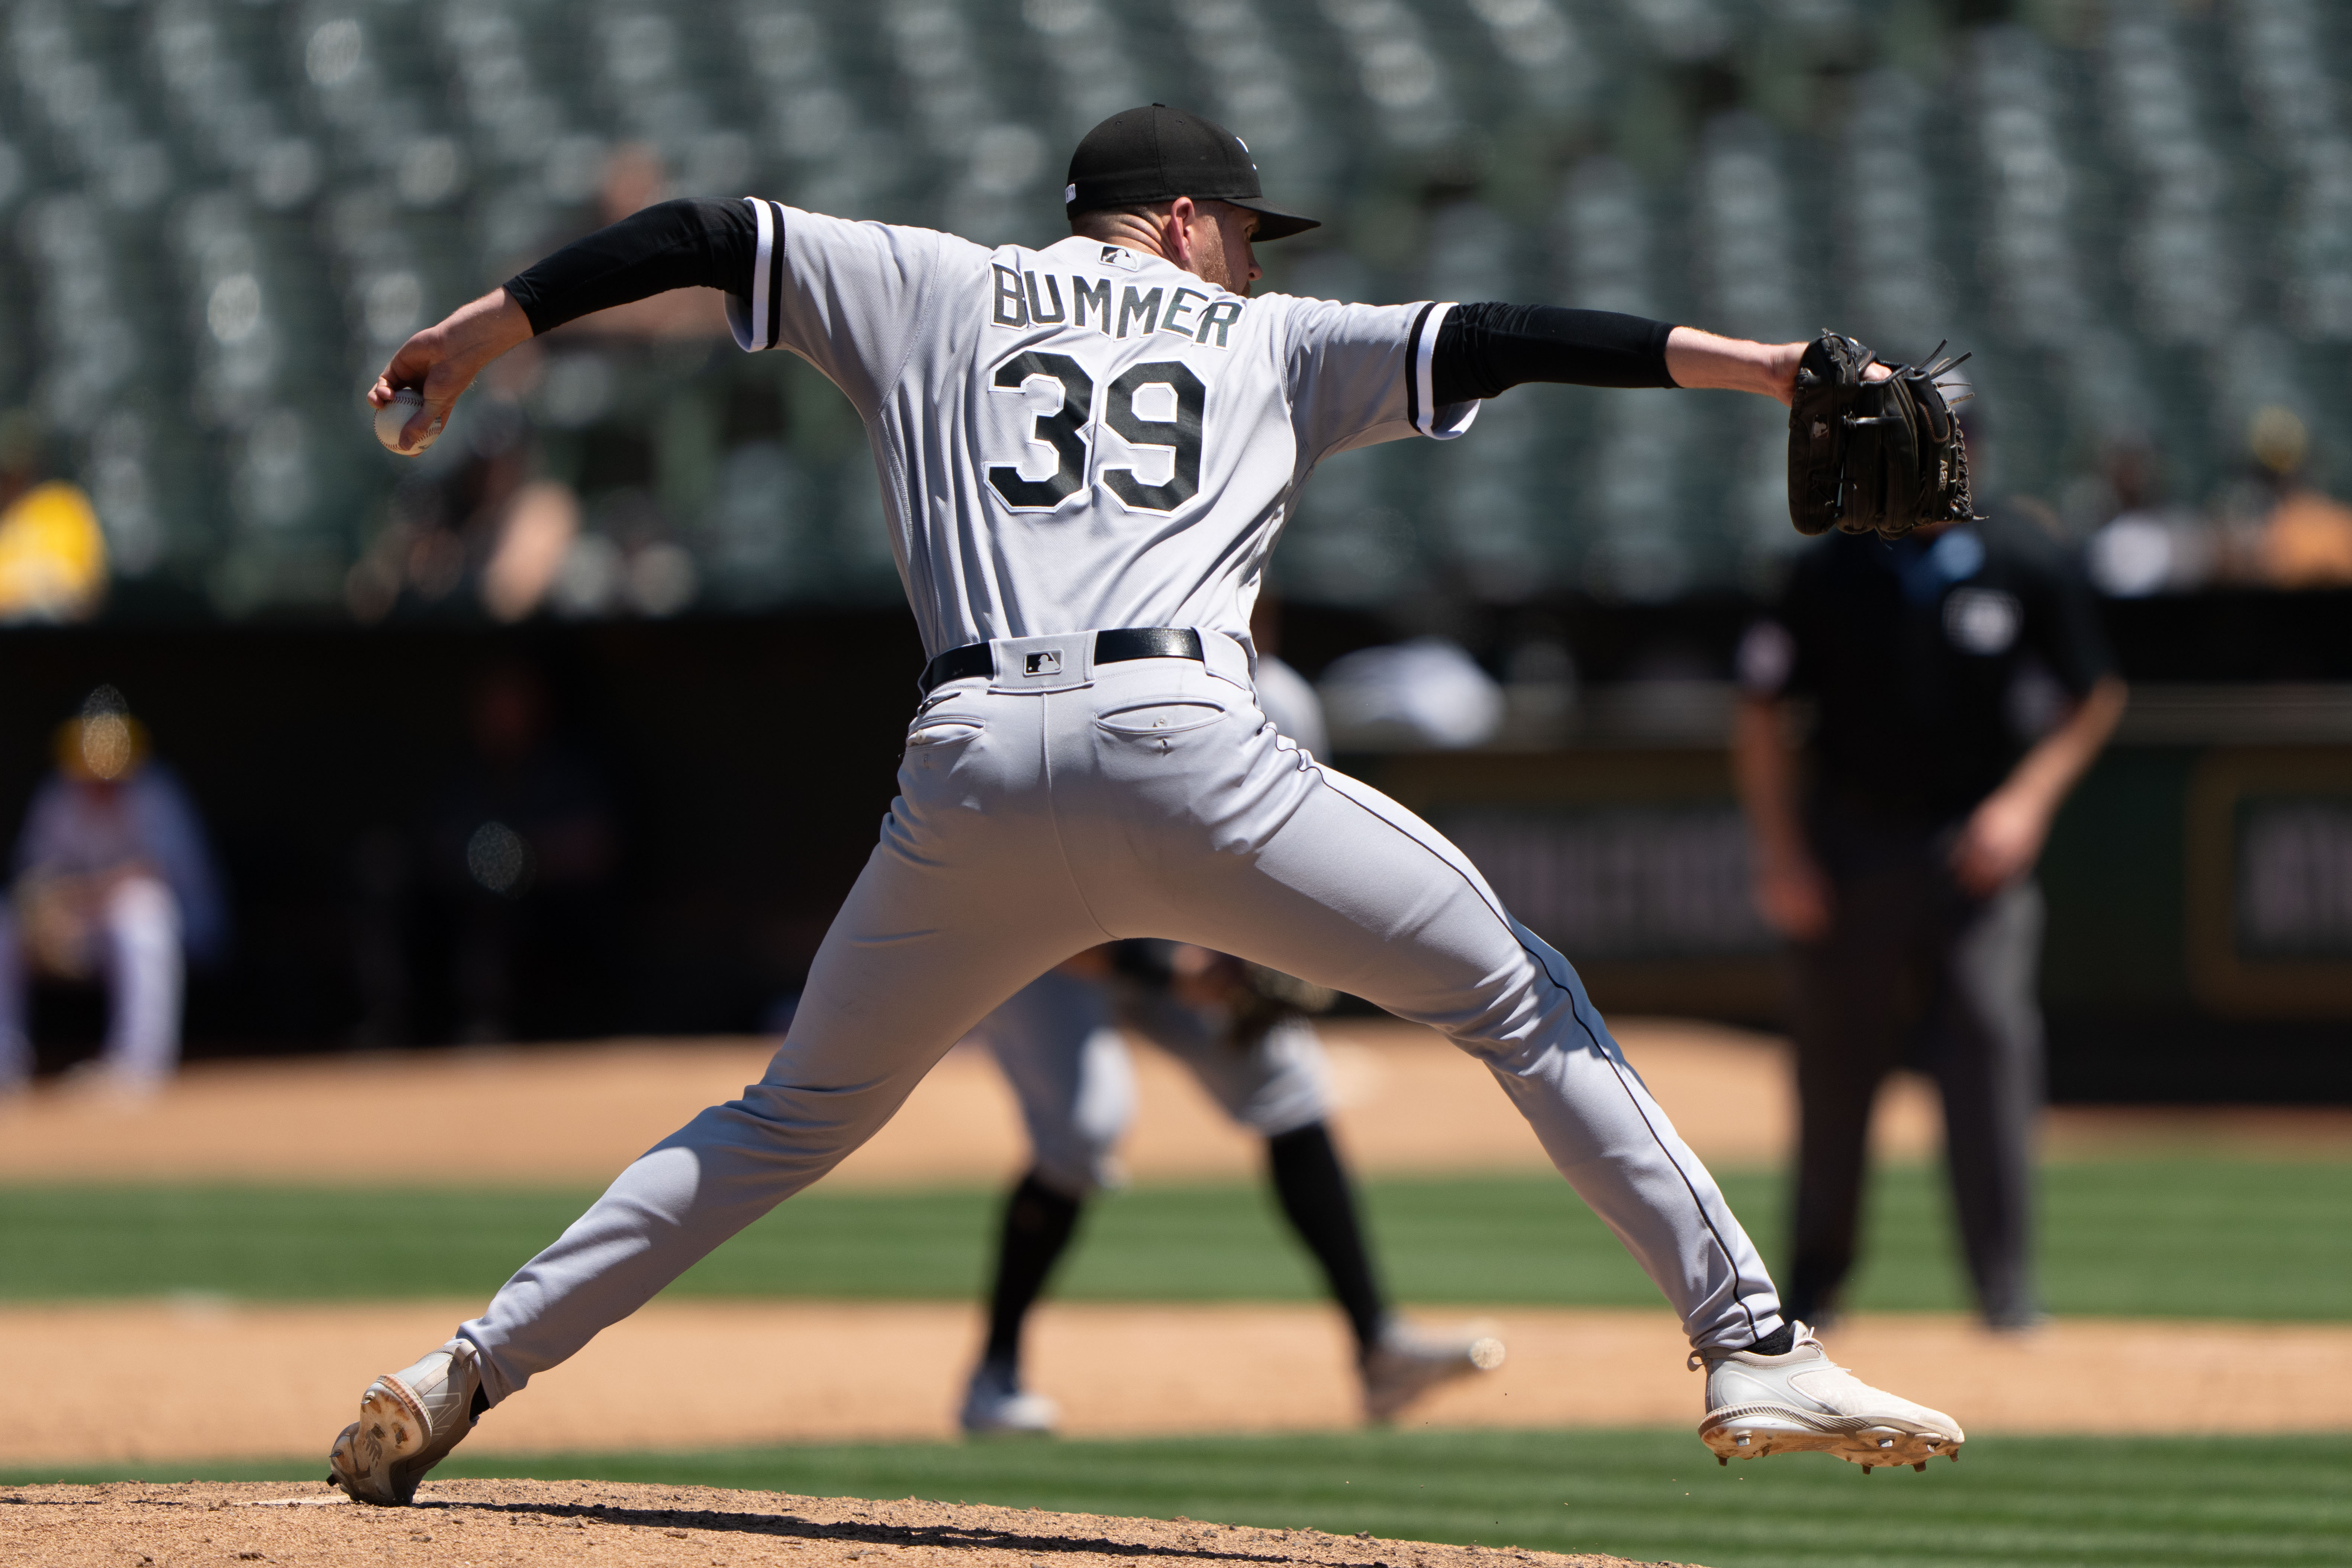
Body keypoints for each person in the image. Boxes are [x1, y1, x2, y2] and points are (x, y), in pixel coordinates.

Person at [331, 104, 1963, 1506]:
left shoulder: (931, 283)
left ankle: (466, 1365)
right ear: (1182, 220)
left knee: (779, 1124)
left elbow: (701, 230)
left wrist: (487, 329)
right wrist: (1759, 370)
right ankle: (1748, 1345)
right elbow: (1508, 337)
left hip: (966, 762)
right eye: (1242, 228)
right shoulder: (1268, 337)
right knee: (1515, 991)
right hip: (1185, 740)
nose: (1252, 257)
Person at [958, 649, 1500, 1434]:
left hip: (1175, 941)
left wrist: (1263, 953)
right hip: (1045, 939)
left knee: (1286, 1081)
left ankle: (1379, 1349)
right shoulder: (1090, 689)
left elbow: (1286, 856)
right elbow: (1028, 886)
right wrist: (1157, 964)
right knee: (1083, 1128)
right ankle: (993, 1374)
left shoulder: (1280, 696)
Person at [1732, 470, 2127, 1332]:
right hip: (1847, 851)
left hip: (1971, 850)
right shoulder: (1827, 567)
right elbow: (1759, 709)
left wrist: (2024, 805)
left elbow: (2093, 692)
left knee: (1989, 1047)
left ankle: (2005, 1291)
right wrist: (1782, 854)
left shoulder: (2020, 558)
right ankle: (1811, 1287)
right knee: (1834, 1072)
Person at [0, 687, 227, 1094]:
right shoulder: (59, 795)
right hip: (88, 928)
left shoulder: (155, 791)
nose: (100, 770)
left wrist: (75, 898)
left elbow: (153, 874)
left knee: (140, 911)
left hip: (182, 931)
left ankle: (137, 1067)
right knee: (6, 921)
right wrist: (47, 911)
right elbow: (33, 876)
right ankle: (5, 1062)